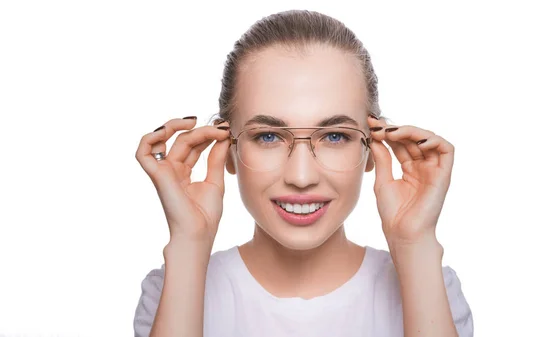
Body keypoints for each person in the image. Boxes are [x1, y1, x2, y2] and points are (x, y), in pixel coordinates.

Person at [133, 9, 473, 337]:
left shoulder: (431, 286)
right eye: (268, 137)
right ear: (227, 150)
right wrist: (189, 242)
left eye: (335, 136)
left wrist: (414, 244)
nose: (301, 175)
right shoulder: (172, 288)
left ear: (372, 147)